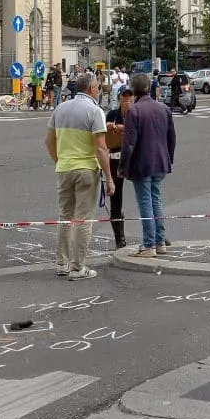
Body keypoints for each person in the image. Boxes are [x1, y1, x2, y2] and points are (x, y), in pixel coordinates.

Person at [44, 72, 113, 279]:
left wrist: (60, 160)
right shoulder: (95, 111)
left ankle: (61, 264)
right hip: (86, 170)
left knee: (65, 217)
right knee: (83, 220)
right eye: (98, 87)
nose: (99, 90)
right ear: (91, 89)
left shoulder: (60, 108)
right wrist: (109, 177)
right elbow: (101, 149)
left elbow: (49, 141)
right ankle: (77, 267)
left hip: (64, 168)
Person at [120, 71, 176, 258]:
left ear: (134, 91)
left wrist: (123, 167)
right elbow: (171, 138)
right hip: (161, 160)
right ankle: (160, 241)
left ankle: (149, 244)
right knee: (156, 199)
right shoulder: (163, 109)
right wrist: (169, 157)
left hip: (142, 163)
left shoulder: (134, 111)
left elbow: (129, 144)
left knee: (145, 202)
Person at [104, 87, 134, 248]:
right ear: (119, 99)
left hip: (135, 158)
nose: (127, 101)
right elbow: (108, 134)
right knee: (116, 198)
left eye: (130, 98)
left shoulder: (136, 114)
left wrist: (122, 129)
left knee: (145, 195)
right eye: (124, 98)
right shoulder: (112, 115)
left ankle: (156, 234)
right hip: (115, 158)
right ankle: (119, 238)